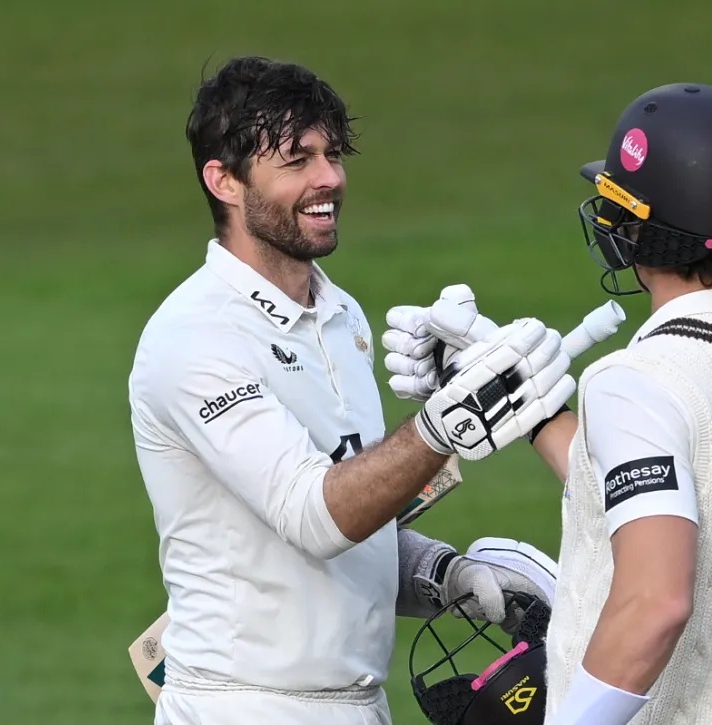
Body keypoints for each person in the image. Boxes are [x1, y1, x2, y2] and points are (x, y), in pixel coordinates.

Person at [126, 56, 574, 725]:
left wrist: (443, 575)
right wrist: (441, 427)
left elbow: (357, 512)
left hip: (357, 704)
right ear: (222, 180)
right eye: (297, 159)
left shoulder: (343, 319)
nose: (329, 177)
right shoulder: (195, 339)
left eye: (333, 154)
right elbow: (314, 514)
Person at [383, 83, 712, 724]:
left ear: (633, 230)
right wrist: (531, 403)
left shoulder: (636, 380)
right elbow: (681, 476)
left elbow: (656, 601)